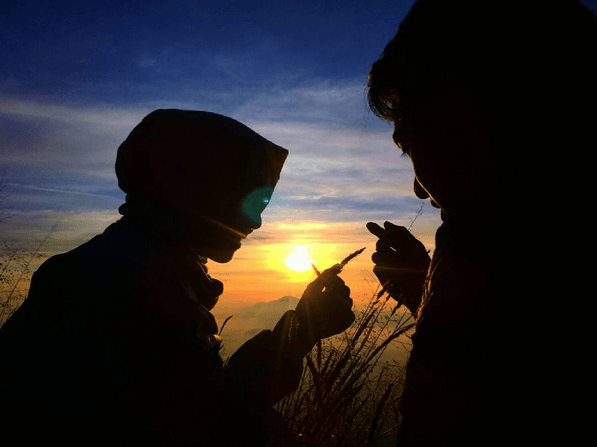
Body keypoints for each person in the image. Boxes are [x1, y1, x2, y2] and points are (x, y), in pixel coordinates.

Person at [0, 109, 355, 446]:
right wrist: (301, 331)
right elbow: (212, 422)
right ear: (200, 193)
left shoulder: (117, 263)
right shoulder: (133, 287)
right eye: (250, 202)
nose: (256, 223)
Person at [366, 1, 596, 445]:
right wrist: (425, 289)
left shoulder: (489, 237)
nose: (418, 191)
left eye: (407, 146)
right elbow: (494, 364)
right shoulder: (534, 235)